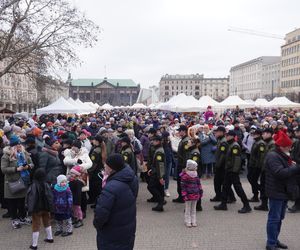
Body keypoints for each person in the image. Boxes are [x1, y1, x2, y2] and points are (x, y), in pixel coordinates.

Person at [94, 154, 139, 250]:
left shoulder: (110, 187)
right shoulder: (131, 178)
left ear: (111, 168)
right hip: (127, 226)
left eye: (106, 165)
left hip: (112, 232)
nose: (104, 167)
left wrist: (97, 224)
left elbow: (101, 214)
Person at [265, 130, 300, 250]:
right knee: (274, 219)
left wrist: (291, 165)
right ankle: (270, 244)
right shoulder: (273, 155)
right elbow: (279, 173)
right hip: (276, 191)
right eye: (289, 146)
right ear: (282, 146)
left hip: (282, 191)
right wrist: (295, 168)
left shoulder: (281, 154)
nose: (290, 148)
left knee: (279, 218)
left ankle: (274, 240)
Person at [214, 130, 252, 213]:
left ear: (232, 136)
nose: (226, 137)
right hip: (229, 169)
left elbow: (237, 160)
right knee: (225, 187)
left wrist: (234, 171)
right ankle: (223, 204)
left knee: (238, 188)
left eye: (228, 135)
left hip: (232, 171)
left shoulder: (235, 146)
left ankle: (246, 205)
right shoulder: (230, 144)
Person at [1, 135, 33, 229]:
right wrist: (16, 169)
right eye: (17, 145)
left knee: (22, 201)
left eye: (20, 144)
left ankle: (22, 217)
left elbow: (31, 163)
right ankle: (14, 219)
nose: (19, 146)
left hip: (23, 181)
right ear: (12, 146)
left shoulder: (24, 153)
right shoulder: (6, 155)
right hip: (12, 183)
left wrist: (28, 166)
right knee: (13, 202)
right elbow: (3, 169)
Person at [63, 140, 92, 218]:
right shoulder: (69, 153)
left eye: (75, 147)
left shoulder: (84, 154)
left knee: (82, 194)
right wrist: (75, 161)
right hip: (71, 177)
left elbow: (90, 163)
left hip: (81, 176)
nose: (73, 148)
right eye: (72, 146)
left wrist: (80, 166)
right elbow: (65, 161)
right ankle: (75, 212)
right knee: (73, 194)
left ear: (78, 147)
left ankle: (83, 211)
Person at [26, 168, 54, 250]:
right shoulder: (46, 184)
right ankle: (50, 238)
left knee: (36, 225)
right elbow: (50, 197)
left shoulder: (33, 186)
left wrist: (29, 209)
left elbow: (31, 198)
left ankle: (34, 245)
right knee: (47, 222)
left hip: (37, 209)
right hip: (46, 207)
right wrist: (51, 208)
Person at [211, 126, 236, 203]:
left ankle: (231, 197)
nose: (215, 133)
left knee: (223, 182)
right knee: (218, 181)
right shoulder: (220, 140)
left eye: (217, 131)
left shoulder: (223, 141)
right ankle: (219, 196)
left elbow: (223, 155)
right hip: (219, 164)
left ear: (222, 132)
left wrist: (218, 165)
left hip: (222, 165)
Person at [255, 128, 275, 211]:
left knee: (266, 186)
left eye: (264, 133)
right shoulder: (266, 142)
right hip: (264, 168)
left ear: (269, 134)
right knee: (263, 186)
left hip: (268, 169)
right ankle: (263, 204)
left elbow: (269, 157)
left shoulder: (272, 144)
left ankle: (265, 204)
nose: (263, 135)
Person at [181, 160, 203, 228]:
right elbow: (183, 187)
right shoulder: (185, 176)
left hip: (195, 194)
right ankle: (188, 221)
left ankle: (193, 221)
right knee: (188, 209)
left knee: (193, 209)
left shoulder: (196, 174)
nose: (196, 168)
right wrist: (184, 195)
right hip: (188, 195)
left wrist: (200, 191)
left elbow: (199, 184)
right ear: (192, 167)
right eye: (195, 167)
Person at [147, 135, 166, 212]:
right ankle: (160, 205)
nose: (152, 142)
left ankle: (161, 201)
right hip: (156, 171)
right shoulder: (158, 149)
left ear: (158, 141)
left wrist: (160, 177)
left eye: (154, 141)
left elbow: (160, 165)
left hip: (157, 173)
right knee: (159, 188)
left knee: (151, 187)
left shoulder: (159, 152)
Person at [247, 128, 266, 202]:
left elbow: (261, 157)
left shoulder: (261, 143)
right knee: (251, 179)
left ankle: (260, 191)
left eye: (255, 134)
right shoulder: (256, 142)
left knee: (253, 179)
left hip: (256, 166)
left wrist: (258, 166)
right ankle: (256, 194)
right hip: (252, 164)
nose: (253, 135)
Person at [88, 135, 106, 208]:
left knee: (95, 188)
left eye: (94, 140)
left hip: (95, 172)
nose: (93, 141)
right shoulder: (101, 148)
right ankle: (96, 201)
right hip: (100, 170)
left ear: (97, 141)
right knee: (98, 188)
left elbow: (93, 163)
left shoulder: (96, 151)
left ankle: (97, 203)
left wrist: (89, 171)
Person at [173, 125, 189, 203]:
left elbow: (186, 155)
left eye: (180, 131)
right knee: (179, 181)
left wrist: (184, 166)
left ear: (184, 131)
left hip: (182, 164)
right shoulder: (183, 140)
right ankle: (181, 196)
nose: (179, 132)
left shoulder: (186, 141)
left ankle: (182, 197)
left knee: (181, 181)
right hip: (180, 163)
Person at [289, 126, 300, 213]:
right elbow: (292, 153)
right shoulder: (297, 142)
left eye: (297, 132)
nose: (295, 133)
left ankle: (297, 205)